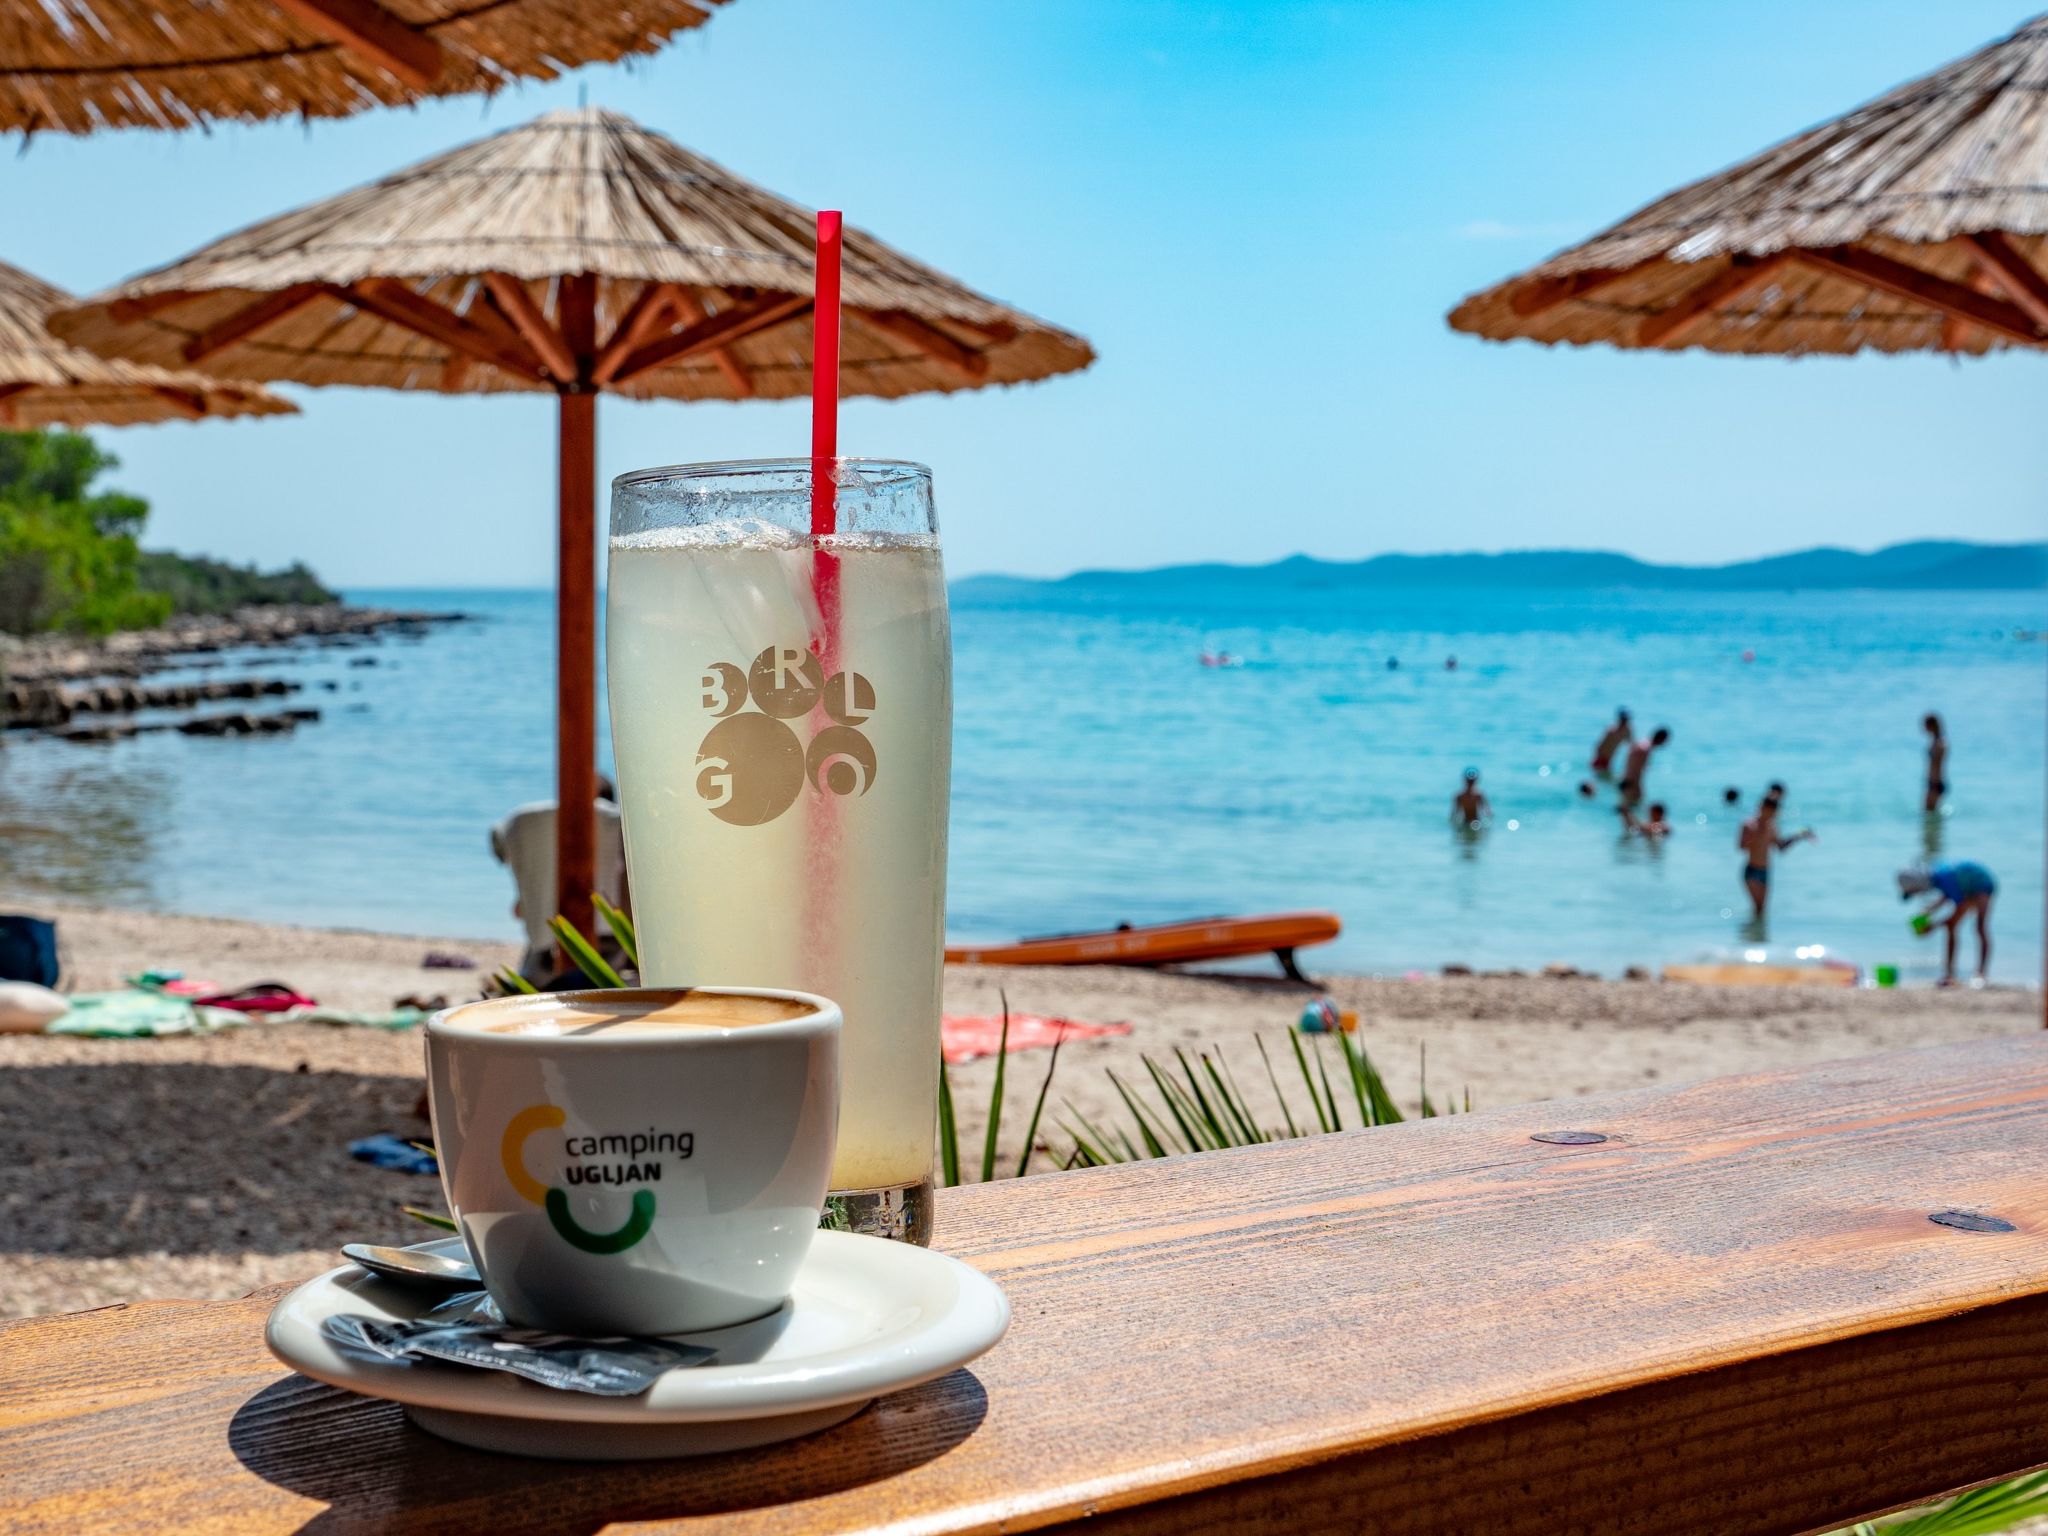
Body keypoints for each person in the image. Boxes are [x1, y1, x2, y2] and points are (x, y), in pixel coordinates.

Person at [492, 776, 630, 982]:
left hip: (548, 940)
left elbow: (520, 910)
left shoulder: (527, 823)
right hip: (612, 939)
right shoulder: (620, 826)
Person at [1899, 861, 1995, 986]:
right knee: (1953, 927)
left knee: (1979, 927)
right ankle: (1950, 974)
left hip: (1981, 887)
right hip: (1964, 887)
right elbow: (1948, 895)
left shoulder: (1945, 878)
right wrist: (1927, 911)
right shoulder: (1937, 876)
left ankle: (1980, 973)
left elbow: (1955, 909)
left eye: (1914, 892)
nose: (1916, 894)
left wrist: (1932, 927)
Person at [1736, 792, 1814, 920]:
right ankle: (1752, 936)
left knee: (1762, 910)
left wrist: (1798, 836)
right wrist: (1753, 836)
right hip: (1751, 870)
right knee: (1758, 907)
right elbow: (1741, 847)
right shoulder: (1749, 825)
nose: (1773, 815)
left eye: (1774, 812)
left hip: (1765, 871)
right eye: (1771, 811)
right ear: (1763, 808)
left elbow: (1781, 847)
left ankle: (1755, 936)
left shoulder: (1772, 827)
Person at [1618, 726, 1669, 807]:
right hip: (1630, 783)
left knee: (1627, 808)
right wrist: (1633, 786)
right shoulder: (1645, 749)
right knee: (1629, 808)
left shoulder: (1642, 744)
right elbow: (1635, 769)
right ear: (1661, 739)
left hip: (1627, 781)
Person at [1590, 708, 1631, 776]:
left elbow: (1630, 744)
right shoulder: (1611, 731)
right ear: (1619, 719)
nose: (1625, 722)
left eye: (1626, 720)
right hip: (1600, 759)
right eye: (1623, 720)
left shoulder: (1627, 731)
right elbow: (1598, 746)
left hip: (1608, 761)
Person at [1924, 713, 1948, 813]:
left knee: (1930, 812)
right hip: (1933, 782)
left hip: (1935, 783)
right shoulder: (1936, 741)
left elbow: (1938, 764)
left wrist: (1934, 785)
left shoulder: (1940, 743)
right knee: (1930, 813)